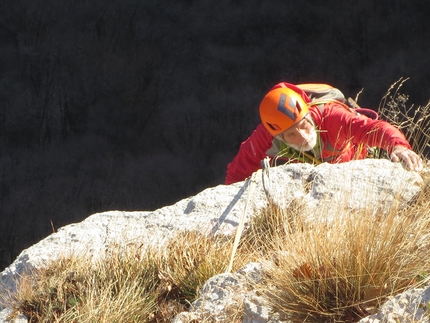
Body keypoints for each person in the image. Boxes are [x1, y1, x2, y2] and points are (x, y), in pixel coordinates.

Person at [225, 82, 423, 184]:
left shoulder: (331, 117)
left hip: (354, 162)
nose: (303, 136)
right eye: (292, 134)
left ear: (309, 115)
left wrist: (398, 146)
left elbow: (372, 128)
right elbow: (238, 170)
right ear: (278, 136)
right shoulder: (266, 136)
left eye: (304, 125)